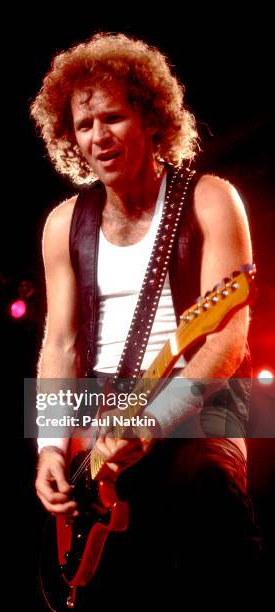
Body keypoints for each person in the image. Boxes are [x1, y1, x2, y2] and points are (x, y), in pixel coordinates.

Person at [30, 32, 261, 604]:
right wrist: (51, 448)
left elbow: (228, 336)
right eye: (84, 125)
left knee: (200, 490)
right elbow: (60, 345)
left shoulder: (211, 198)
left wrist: (156, 418)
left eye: (114, 117)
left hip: (204, 399)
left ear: (153, 119)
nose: (98, 137)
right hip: (102, 409)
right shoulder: (63, 223)